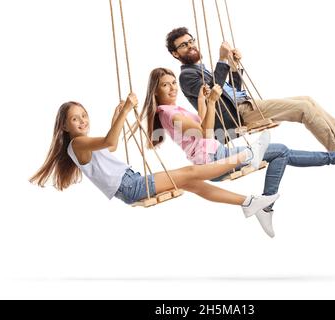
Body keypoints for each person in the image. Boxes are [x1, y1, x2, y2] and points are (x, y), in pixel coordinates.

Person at [142, 68, 335, 238]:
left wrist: (203, 100)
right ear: (156, 90)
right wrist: (211, 102)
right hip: (212, 161)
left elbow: (204, 125)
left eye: (173, 83)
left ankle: (267, 206)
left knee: (280, 152)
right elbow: (205, 131)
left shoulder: (173, 110)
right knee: (280, 151)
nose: (173, 88)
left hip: (217, 153)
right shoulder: (169, 114)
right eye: (166, 85)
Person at [29, 94, 281, 235]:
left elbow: (111, 145)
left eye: (83, 115)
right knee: (191, 172)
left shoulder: (82, 144)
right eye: (75, 119)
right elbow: (110, 139)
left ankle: (250, 204)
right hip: (131, 186)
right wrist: (126, 109)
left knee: (194, 182)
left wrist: (118, 116)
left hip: (131, 183)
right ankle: (248, 155)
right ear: (64, 126)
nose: (82, 121)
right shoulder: (77, 145)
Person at [165, 27, 335, 152]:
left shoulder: (200, 68)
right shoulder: (186, 76)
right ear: (175, 54)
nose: (190, 45)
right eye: (183, 45)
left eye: (191, 41)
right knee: (303, 107)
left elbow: (233, 90)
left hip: (244, 104)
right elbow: (215, 93)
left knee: (307, 98)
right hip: (237, 116)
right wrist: (221, 60)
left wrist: (232, 65)